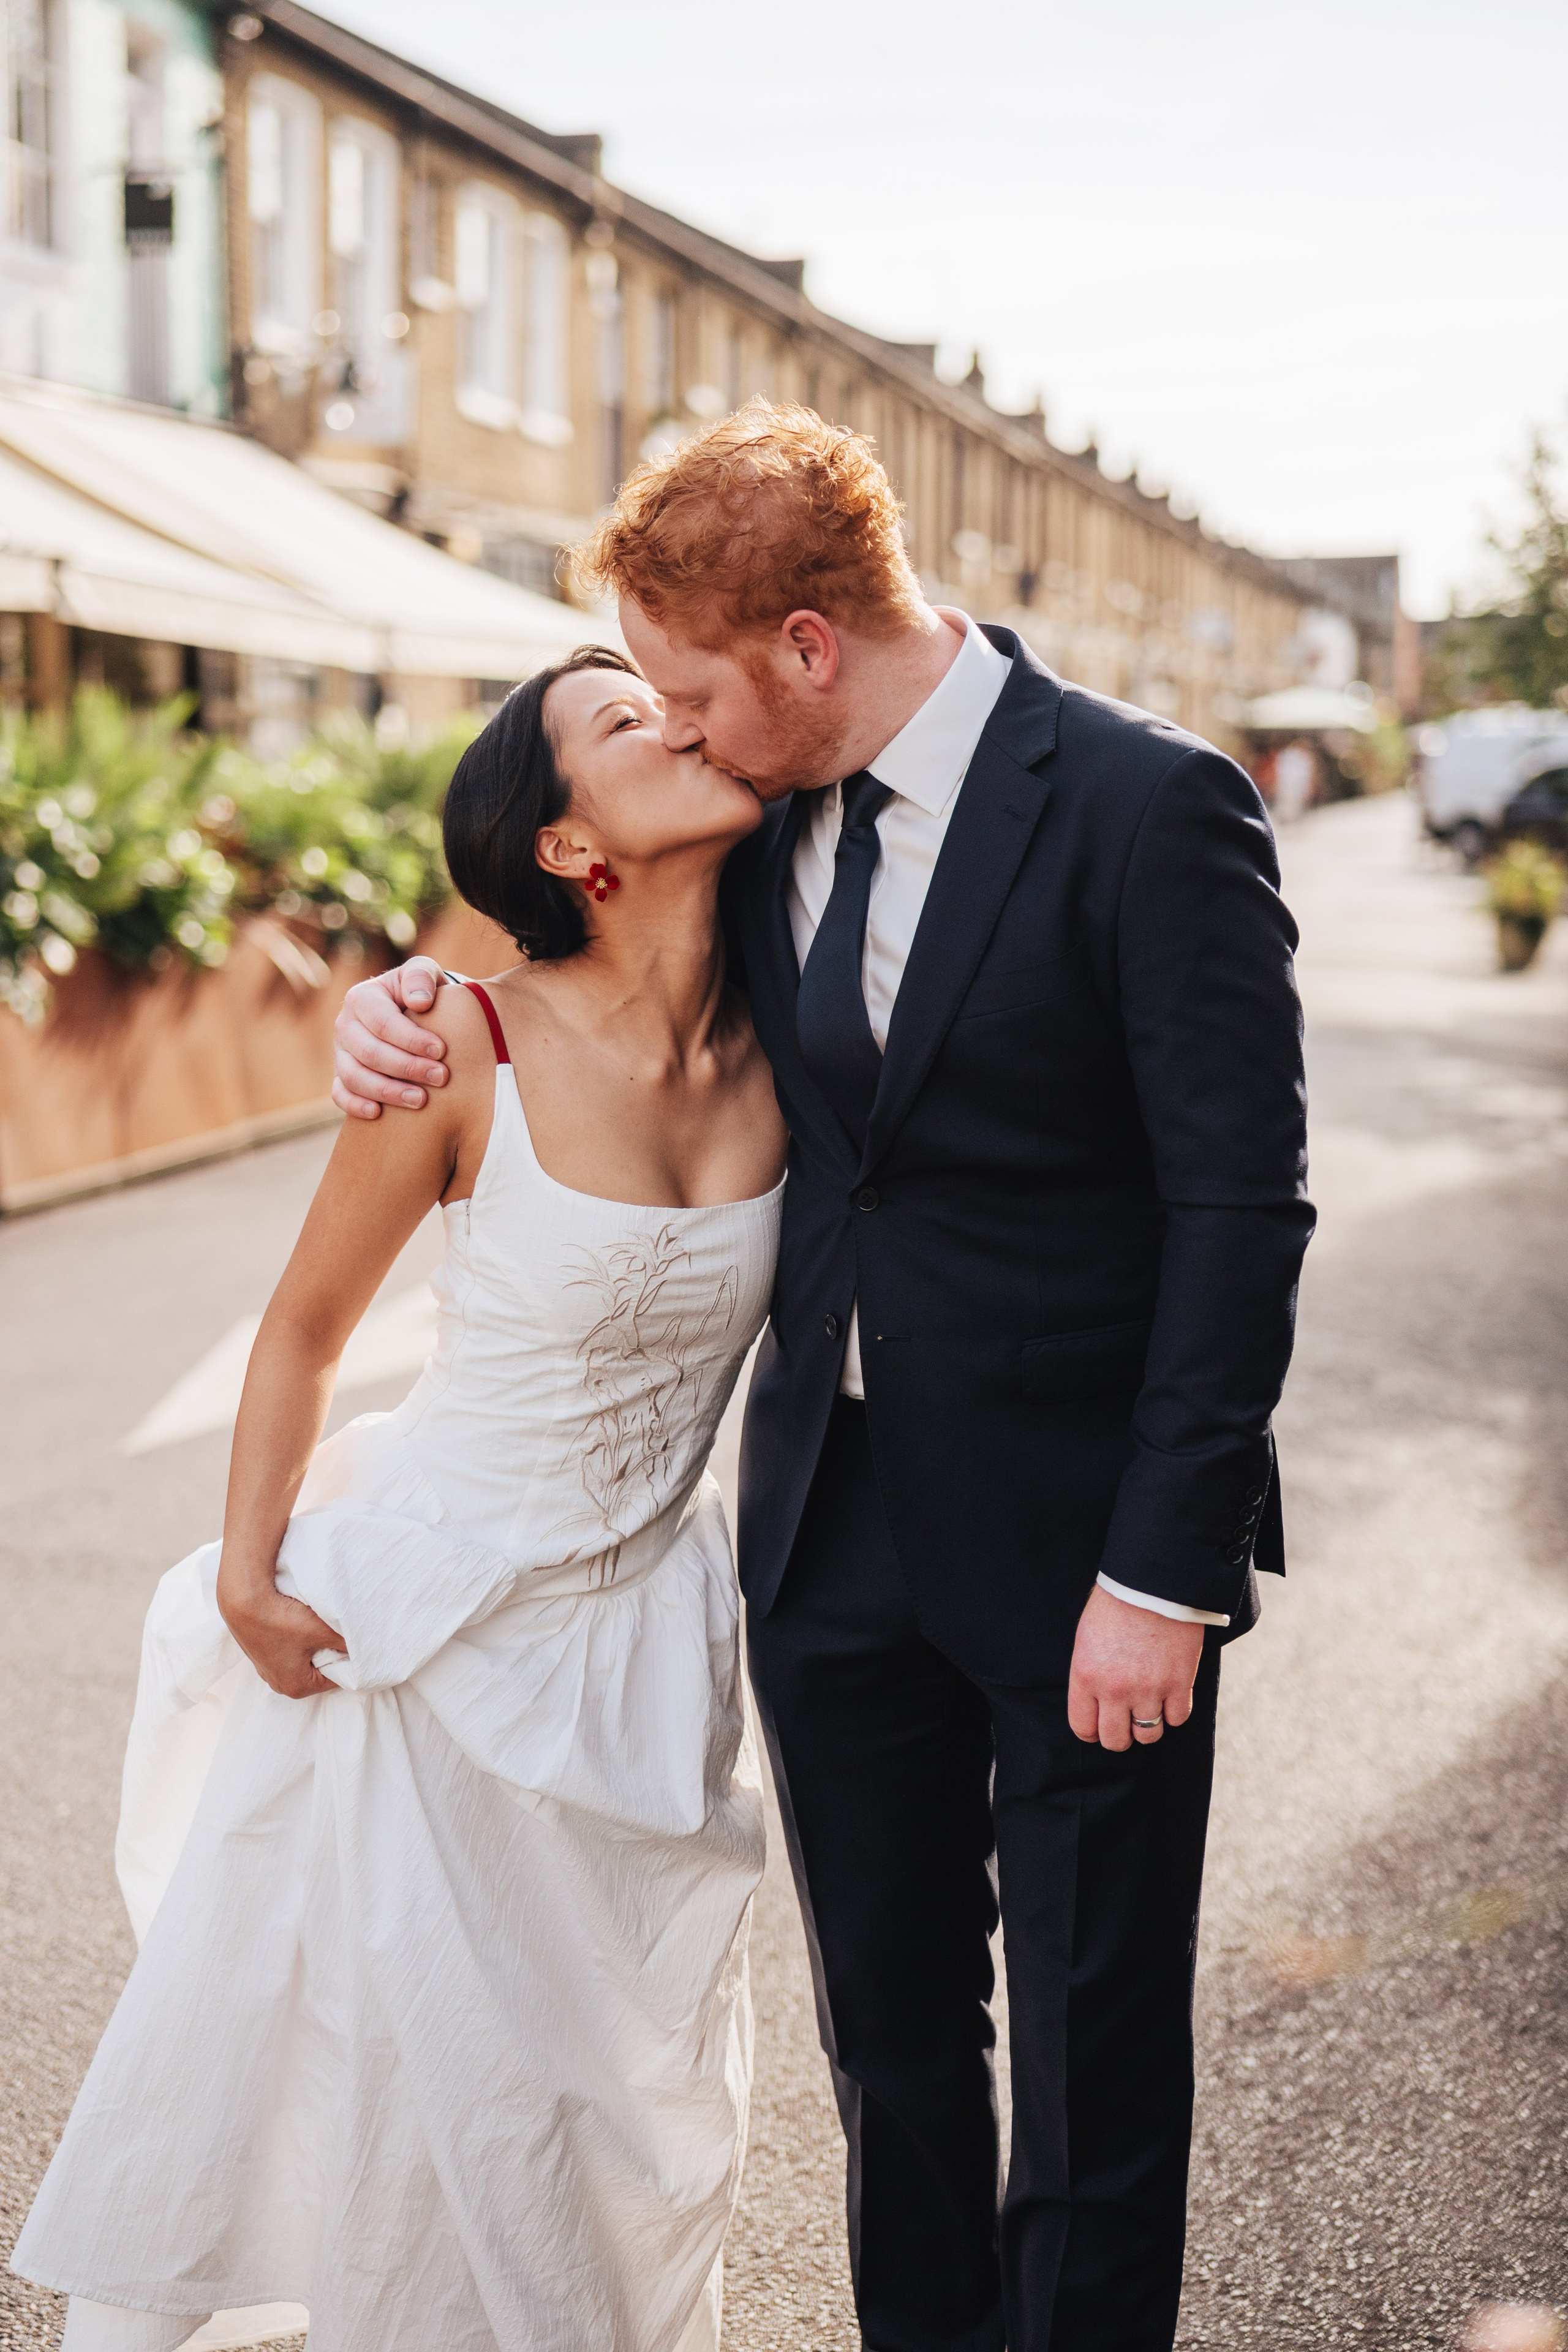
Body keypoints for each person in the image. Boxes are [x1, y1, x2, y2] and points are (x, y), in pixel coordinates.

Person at [334, 401, 1315, 2352]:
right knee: (893, 2053)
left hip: (1087, 1555)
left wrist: (1165, 1569)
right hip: (825, 1544)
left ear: (806, 647)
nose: (683, 737)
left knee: (1096, 2054)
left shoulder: (1150, 807)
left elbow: (1241, 1208)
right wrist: (409, 993)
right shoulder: (762, 807)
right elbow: (585, 946)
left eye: (696, 695)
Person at [10, 648, 786, 2352]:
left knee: (614, 2108)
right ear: (572, 846)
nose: (678, 716)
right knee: (409, 2082)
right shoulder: (457, 1046)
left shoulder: (796, 1034)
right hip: (427, 1638)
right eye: (624, 720)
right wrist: (245, 1573)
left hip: (651, 1653)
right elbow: (301, 1329)